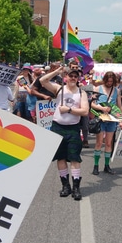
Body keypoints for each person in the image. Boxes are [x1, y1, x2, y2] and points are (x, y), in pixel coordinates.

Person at [40, 67, 89, 199]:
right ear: (66, 77)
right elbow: (43, 81)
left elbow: (85, 111)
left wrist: (68, 110)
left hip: (73, 129)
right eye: (70, 76)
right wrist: (57, 71)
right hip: (58, 128)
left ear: (78, 79)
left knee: (74, 158)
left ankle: (76, 188)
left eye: (75, 76)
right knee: (60, 157)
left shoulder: (81, 93)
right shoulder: (59, 89)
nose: (73, 78)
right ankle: (65, 186)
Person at [91, 71, 122, 175]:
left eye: (111, 81)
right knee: (99, 142)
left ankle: (107, 165)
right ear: (104, 80)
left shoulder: (117, 90)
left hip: (112, 119)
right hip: (100, 118)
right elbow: (92, 104)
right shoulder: (97, 89)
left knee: (109, 143)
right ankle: (96, 165)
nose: (109, 83)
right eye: (108, 81)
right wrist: (101, 108)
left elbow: (120, 106)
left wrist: (121, 120)